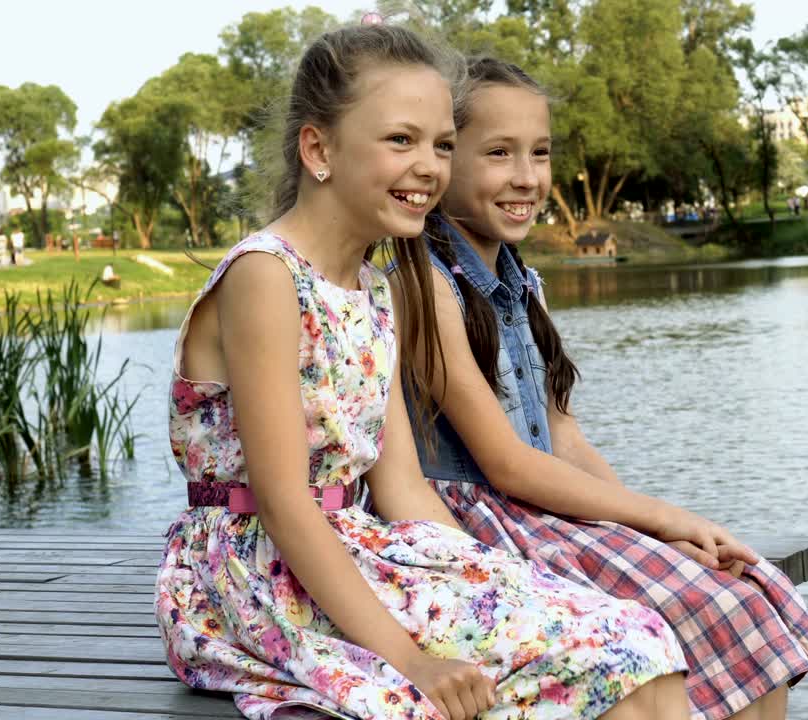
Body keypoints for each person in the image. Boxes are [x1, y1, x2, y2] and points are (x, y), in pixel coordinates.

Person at [157, 22, 689, 720]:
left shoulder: (376, 289)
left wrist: (497, 583)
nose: (430, 167)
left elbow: (401, 484)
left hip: (360, 546)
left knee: (636, 636)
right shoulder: (266, 277)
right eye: (400, 140)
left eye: (442, 145)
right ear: (318, 148)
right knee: (578, 662)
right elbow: (286, 505)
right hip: (256, 575)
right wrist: (411, 660)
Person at [390, 56, 808, 720]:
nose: (526, 178)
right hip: (482, 529)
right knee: (669, 627)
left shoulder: (523, 284)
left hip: (548, 516)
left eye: (539, 154)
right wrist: (669, 519)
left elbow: (563, 435)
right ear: (448, 160)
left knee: (746, 595)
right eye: (499, 154)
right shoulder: (425, 283)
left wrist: (649, 532)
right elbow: (506, 463)